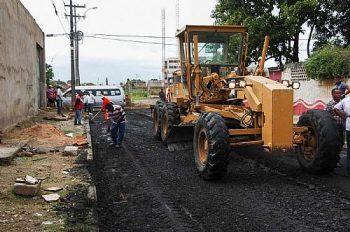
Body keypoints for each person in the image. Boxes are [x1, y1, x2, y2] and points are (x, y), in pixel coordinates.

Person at [334, 96, 350, 175]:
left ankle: (349, 170)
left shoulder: (345, 100)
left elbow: (335, 108)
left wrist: (343, 116)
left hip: (348, 126)